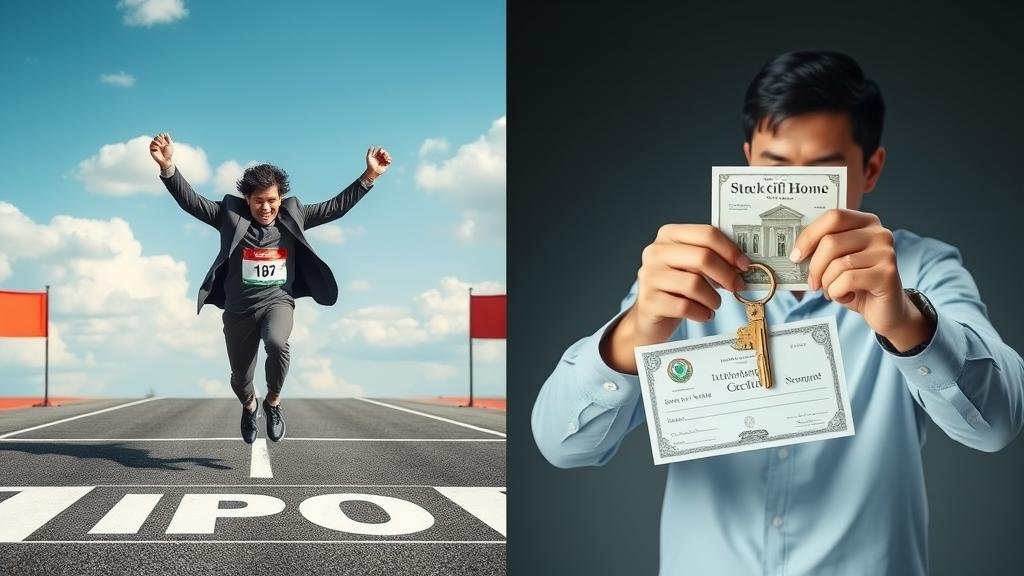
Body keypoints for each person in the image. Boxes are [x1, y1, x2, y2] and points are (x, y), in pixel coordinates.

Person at [531, 51, 1024, 575]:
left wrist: (904, 319)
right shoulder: (682, 276)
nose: (798, 194)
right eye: (775, 166)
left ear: (871, 169)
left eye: (823, 172)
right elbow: (562, 445)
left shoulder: (922, 268)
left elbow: (997, 424)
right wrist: (635, 331)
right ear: (747, 160)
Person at [149, 133, 391, 444]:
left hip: (278, 302)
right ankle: (250, 406)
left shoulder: (294, 214)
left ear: (281, 199)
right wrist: (168, 166)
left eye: (272, 201)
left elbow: (335, 208)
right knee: (240, 379)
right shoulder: (229, 216)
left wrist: (369, 176)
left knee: (278, 343)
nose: (266, 208)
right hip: (238, 310)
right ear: (247, 199)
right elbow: (191, 202)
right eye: (259, 201)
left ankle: (273, 402)